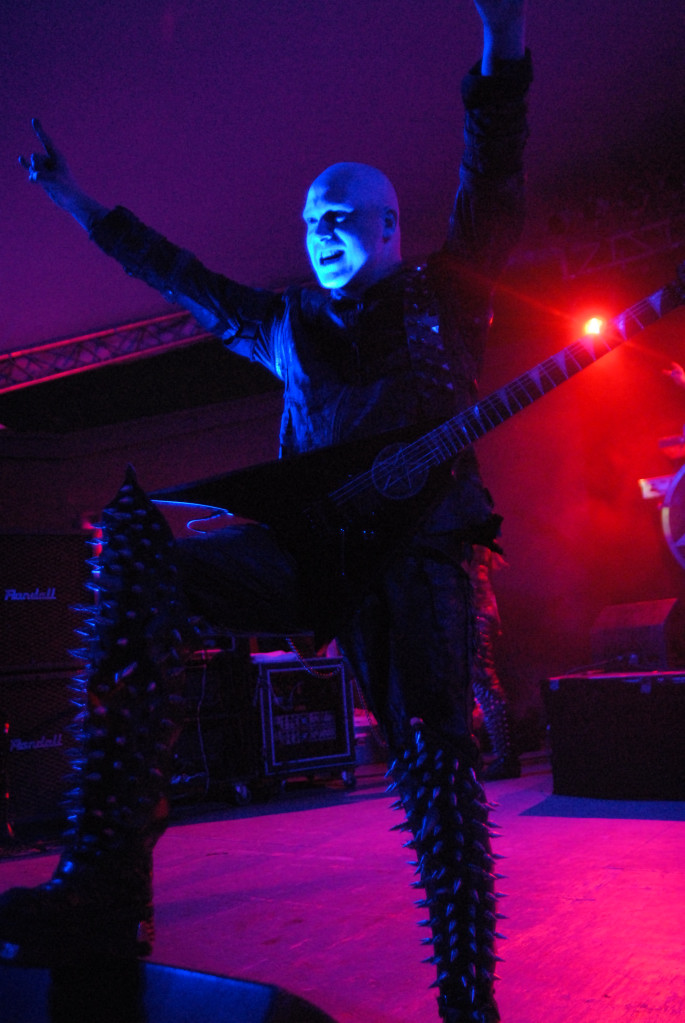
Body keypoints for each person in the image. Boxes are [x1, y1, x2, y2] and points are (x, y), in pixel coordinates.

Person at [3, 3, 531, 1020]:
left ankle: (469, 1004)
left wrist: (500, 40)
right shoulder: (282, 325)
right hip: (312, 555)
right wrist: (75, 201)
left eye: (341, 217)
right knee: (140, 556)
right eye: (309, 222)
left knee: (436, 770)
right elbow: (180, 277)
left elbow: (493, 185)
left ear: (389, 226)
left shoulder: (445, 294)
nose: (320, 234)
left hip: (418, 559)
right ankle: (102, 880)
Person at [468, 545, 522, 781]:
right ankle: (503, 757)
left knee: (485, 684)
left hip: (475, 612)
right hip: (477, 610)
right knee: (481, 684)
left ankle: (506, 758)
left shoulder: (466, 533)